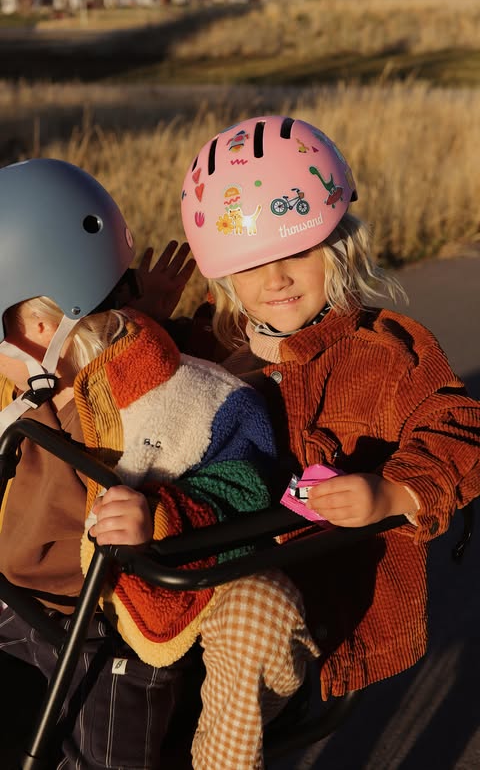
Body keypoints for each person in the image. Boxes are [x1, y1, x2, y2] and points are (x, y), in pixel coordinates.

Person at [139, 114, 480, 766]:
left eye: (296, 252)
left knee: (246, 620)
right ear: (224, 277)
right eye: (252, 264)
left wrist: (392, 490)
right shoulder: (217, 344)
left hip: (309, 600)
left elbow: (460, 425)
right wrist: (155, 328)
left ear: (338, 243)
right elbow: (156, 408)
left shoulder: (380, 355)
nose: (277, 280)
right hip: (189, 575)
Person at [0, 157, 317, 770]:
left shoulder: (179, 395)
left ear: (40, 326)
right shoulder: (28, 380)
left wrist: (160, 515)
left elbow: (245, 475)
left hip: (108, 625)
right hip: (23, 601)